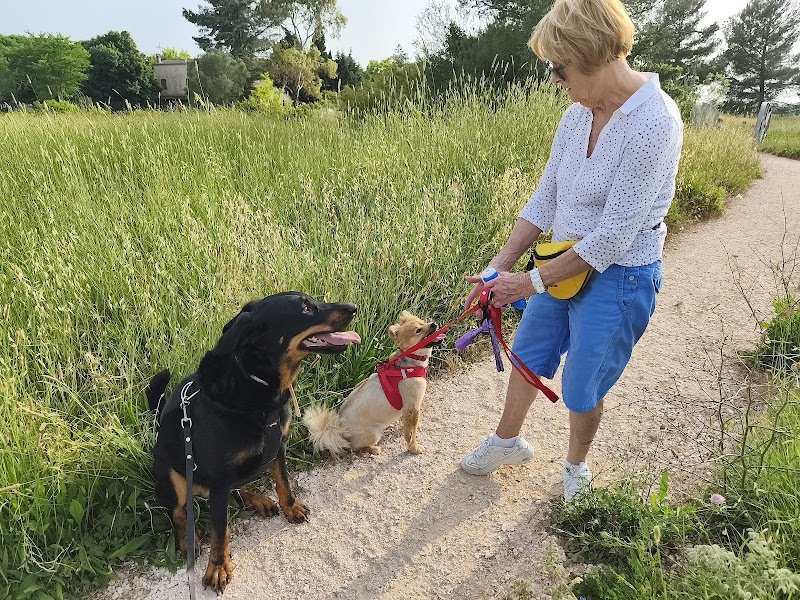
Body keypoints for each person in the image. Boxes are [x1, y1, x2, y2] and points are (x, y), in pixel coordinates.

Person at [459, 0, 684, 501]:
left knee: (585, 380)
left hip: (620, 274)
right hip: (559, 262)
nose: (555, 80)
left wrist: (528, 282)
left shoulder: (654, 123)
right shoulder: (576, 115)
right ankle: (506, 441)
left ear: (592, 55)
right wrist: (498, 268)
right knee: (528, 353)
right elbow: (546, 198)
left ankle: (576, 466)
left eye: (559, 69)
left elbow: (612, 237)